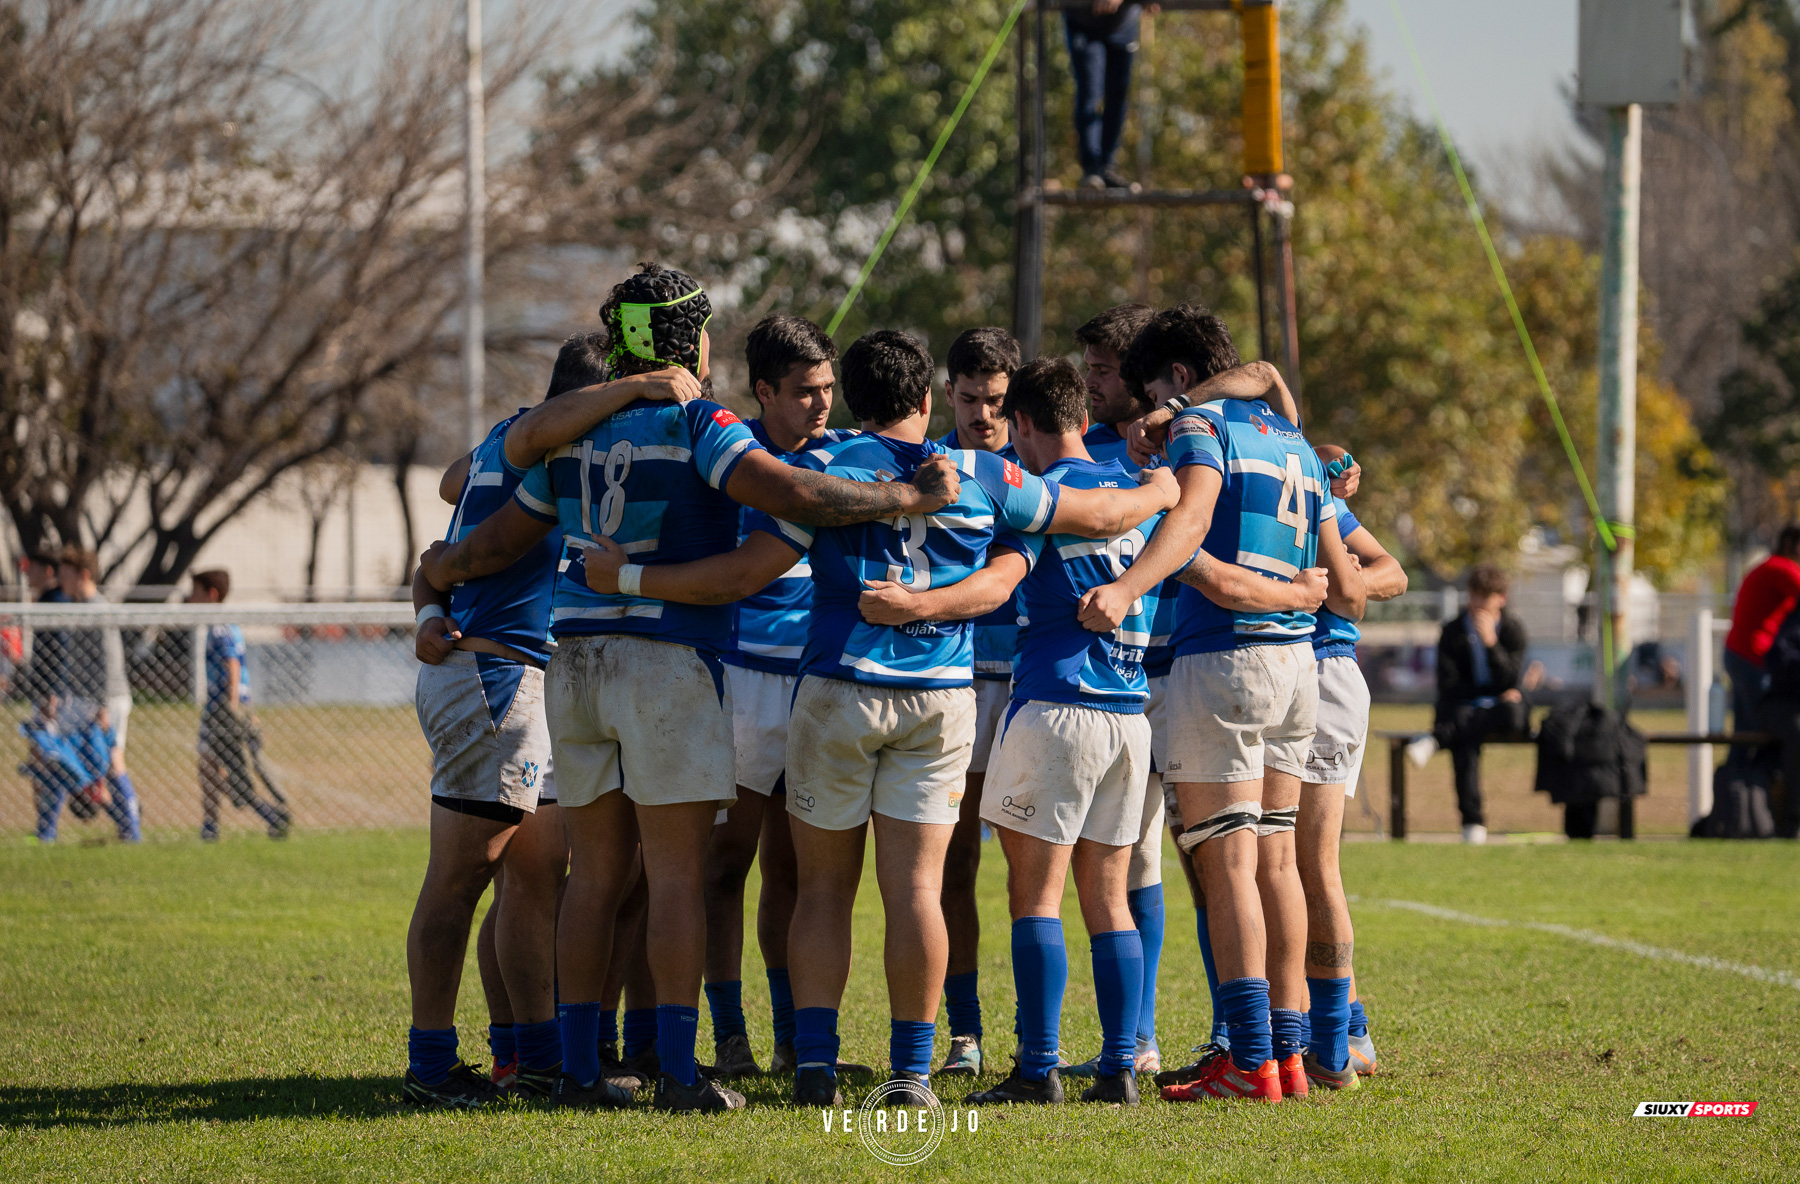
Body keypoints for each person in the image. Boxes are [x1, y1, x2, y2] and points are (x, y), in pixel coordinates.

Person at [579, 328, 1177, 1108]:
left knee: (823, 889)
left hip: (838, 691)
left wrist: (629, 576)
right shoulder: (981, 472)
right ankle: (912, 1073)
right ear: (929, 399)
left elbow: (745, 573)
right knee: (918, 888)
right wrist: (1164, 491)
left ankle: (816, 1068)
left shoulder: (824, 470)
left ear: (852, 401)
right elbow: (1083, 525)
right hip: (939, 700)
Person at [421, 264, 966, 1113]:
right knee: (674, 876)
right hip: (666, 663)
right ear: (693, 341)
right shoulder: (697, 419)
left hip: (576, 665)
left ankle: (578, 1071)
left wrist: (439, 574)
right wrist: (900, 493)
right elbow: (789, 490)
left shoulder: (572, 431)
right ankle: (679, 1072)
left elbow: (499, 538)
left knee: (594, 876)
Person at [403, 330, 702, 1110]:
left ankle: (533, 1059)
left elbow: (447, 512)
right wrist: (638, 388)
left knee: (532, 878)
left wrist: (428, 606)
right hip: (494, 679)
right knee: (461, 879)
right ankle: (431, 1066)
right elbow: (448, 544)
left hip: (516, 680)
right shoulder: (536, 438)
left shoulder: (515, 449)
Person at [1077, 306, 1362, 1104]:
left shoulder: (1202, 426)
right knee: (1277, 861)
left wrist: (1131, 583)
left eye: (1151, 395)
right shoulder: (1292, 438)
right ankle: (1289, 1057)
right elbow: (1344, 587)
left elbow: (1193, 516)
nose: (1151, 418)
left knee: (1228, 863)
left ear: (1178, 378)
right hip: (1297, 665)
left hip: (1224, 662)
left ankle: (1248, 1060)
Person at [954, 358, 1166, 1106]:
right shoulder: (1136, 496)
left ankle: (1037, 1067)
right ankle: (1119, 1067)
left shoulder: (1041, 499)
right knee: (1109, 898)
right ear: (1081, 415)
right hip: (1128, 716)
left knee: (1036, 897)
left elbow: (1000, 583)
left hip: (1057, 708)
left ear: (1022, 423)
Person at [703, 314, 865, 1081]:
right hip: (740, 684)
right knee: (723, 867)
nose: (821, 403)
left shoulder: (846, 453)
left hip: (816, 687)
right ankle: (728, 1036)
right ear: (764, 390)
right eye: (804, 391)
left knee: (796, 874)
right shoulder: (729, 456)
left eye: (828, 387)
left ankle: (794, 1038)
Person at [1292, 444, 1406, 1090]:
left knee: (1309, 864)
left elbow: (1392, 574)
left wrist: (1345, 583)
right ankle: (1344, 1029)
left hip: (1321, 673)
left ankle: (1336, 1043)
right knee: (1284, 866)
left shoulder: (1314, 493)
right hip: (1285, 673)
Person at [933, 325, 1022, 1079]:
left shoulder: (1039, 465)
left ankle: (1037, 1035)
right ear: (947, 394)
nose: (983, 416)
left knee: (1035, 870)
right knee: (955, 862)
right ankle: (965, 1034)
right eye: (970, 399)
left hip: (1030, 686)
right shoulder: (929, 465)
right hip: (953, 681)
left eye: (996, 401)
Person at [1420, 564, 1532, 846]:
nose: (1478, 603)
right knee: (1465, 740)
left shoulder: (1512, 629)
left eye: (1486, 596)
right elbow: (1448, 683)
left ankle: (1439, 738)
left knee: (1513, 713)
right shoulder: (1453, 630)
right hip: (1465, 707)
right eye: (1475, 595)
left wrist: (1491, 643)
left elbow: (1511, 679)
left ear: (1501, 598)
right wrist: (1489, 694)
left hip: (1498, 711)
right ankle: (1473, 823)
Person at [187, 569, 290, 841]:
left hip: (223, 708)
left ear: (211, 595)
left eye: (195, 591)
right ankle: (219, 824)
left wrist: (231, 708)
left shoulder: (221, 626)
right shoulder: (217, 625)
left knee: (222, 767)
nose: (190, 597)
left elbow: (232, 665)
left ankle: (266, 813)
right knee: (210, 767)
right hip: (220, 706)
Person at [54, 547, 140, 842]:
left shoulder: (97, 608)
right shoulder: (79, 606)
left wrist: (102, 706)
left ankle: (130, 827)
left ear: (84, 575)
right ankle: (124, 821)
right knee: (65, 758)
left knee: (110, 762)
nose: (61, 581)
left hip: (104, 699)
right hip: (84, 698)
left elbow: (108, 659)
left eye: (66, 575)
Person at [1723, 524, 1800, 767]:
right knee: (1762, 728)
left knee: (1745, 730)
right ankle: (1752, 782)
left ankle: (1737, 781)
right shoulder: (1783, 568)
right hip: (1751, 656)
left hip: (1739, 653)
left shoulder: (1770, 566)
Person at [1065, 1, 1145, 190]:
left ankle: (1106, 168)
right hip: (1083, 22)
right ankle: (1092, 170)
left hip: (1123, 25)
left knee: (1118, 96)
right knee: (1090, 91)